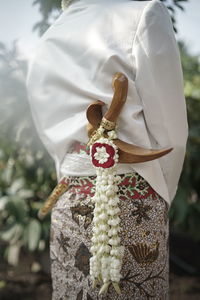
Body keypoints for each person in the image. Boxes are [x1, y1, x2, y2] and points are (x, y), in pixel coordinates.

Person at [26, 0, 188, 299]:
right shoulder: (144, 13)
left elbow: (47, 130)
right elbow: (170, 129)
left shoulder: (51, 34)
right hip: (131, 197)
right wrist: (162, 191)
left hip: (69, 200)